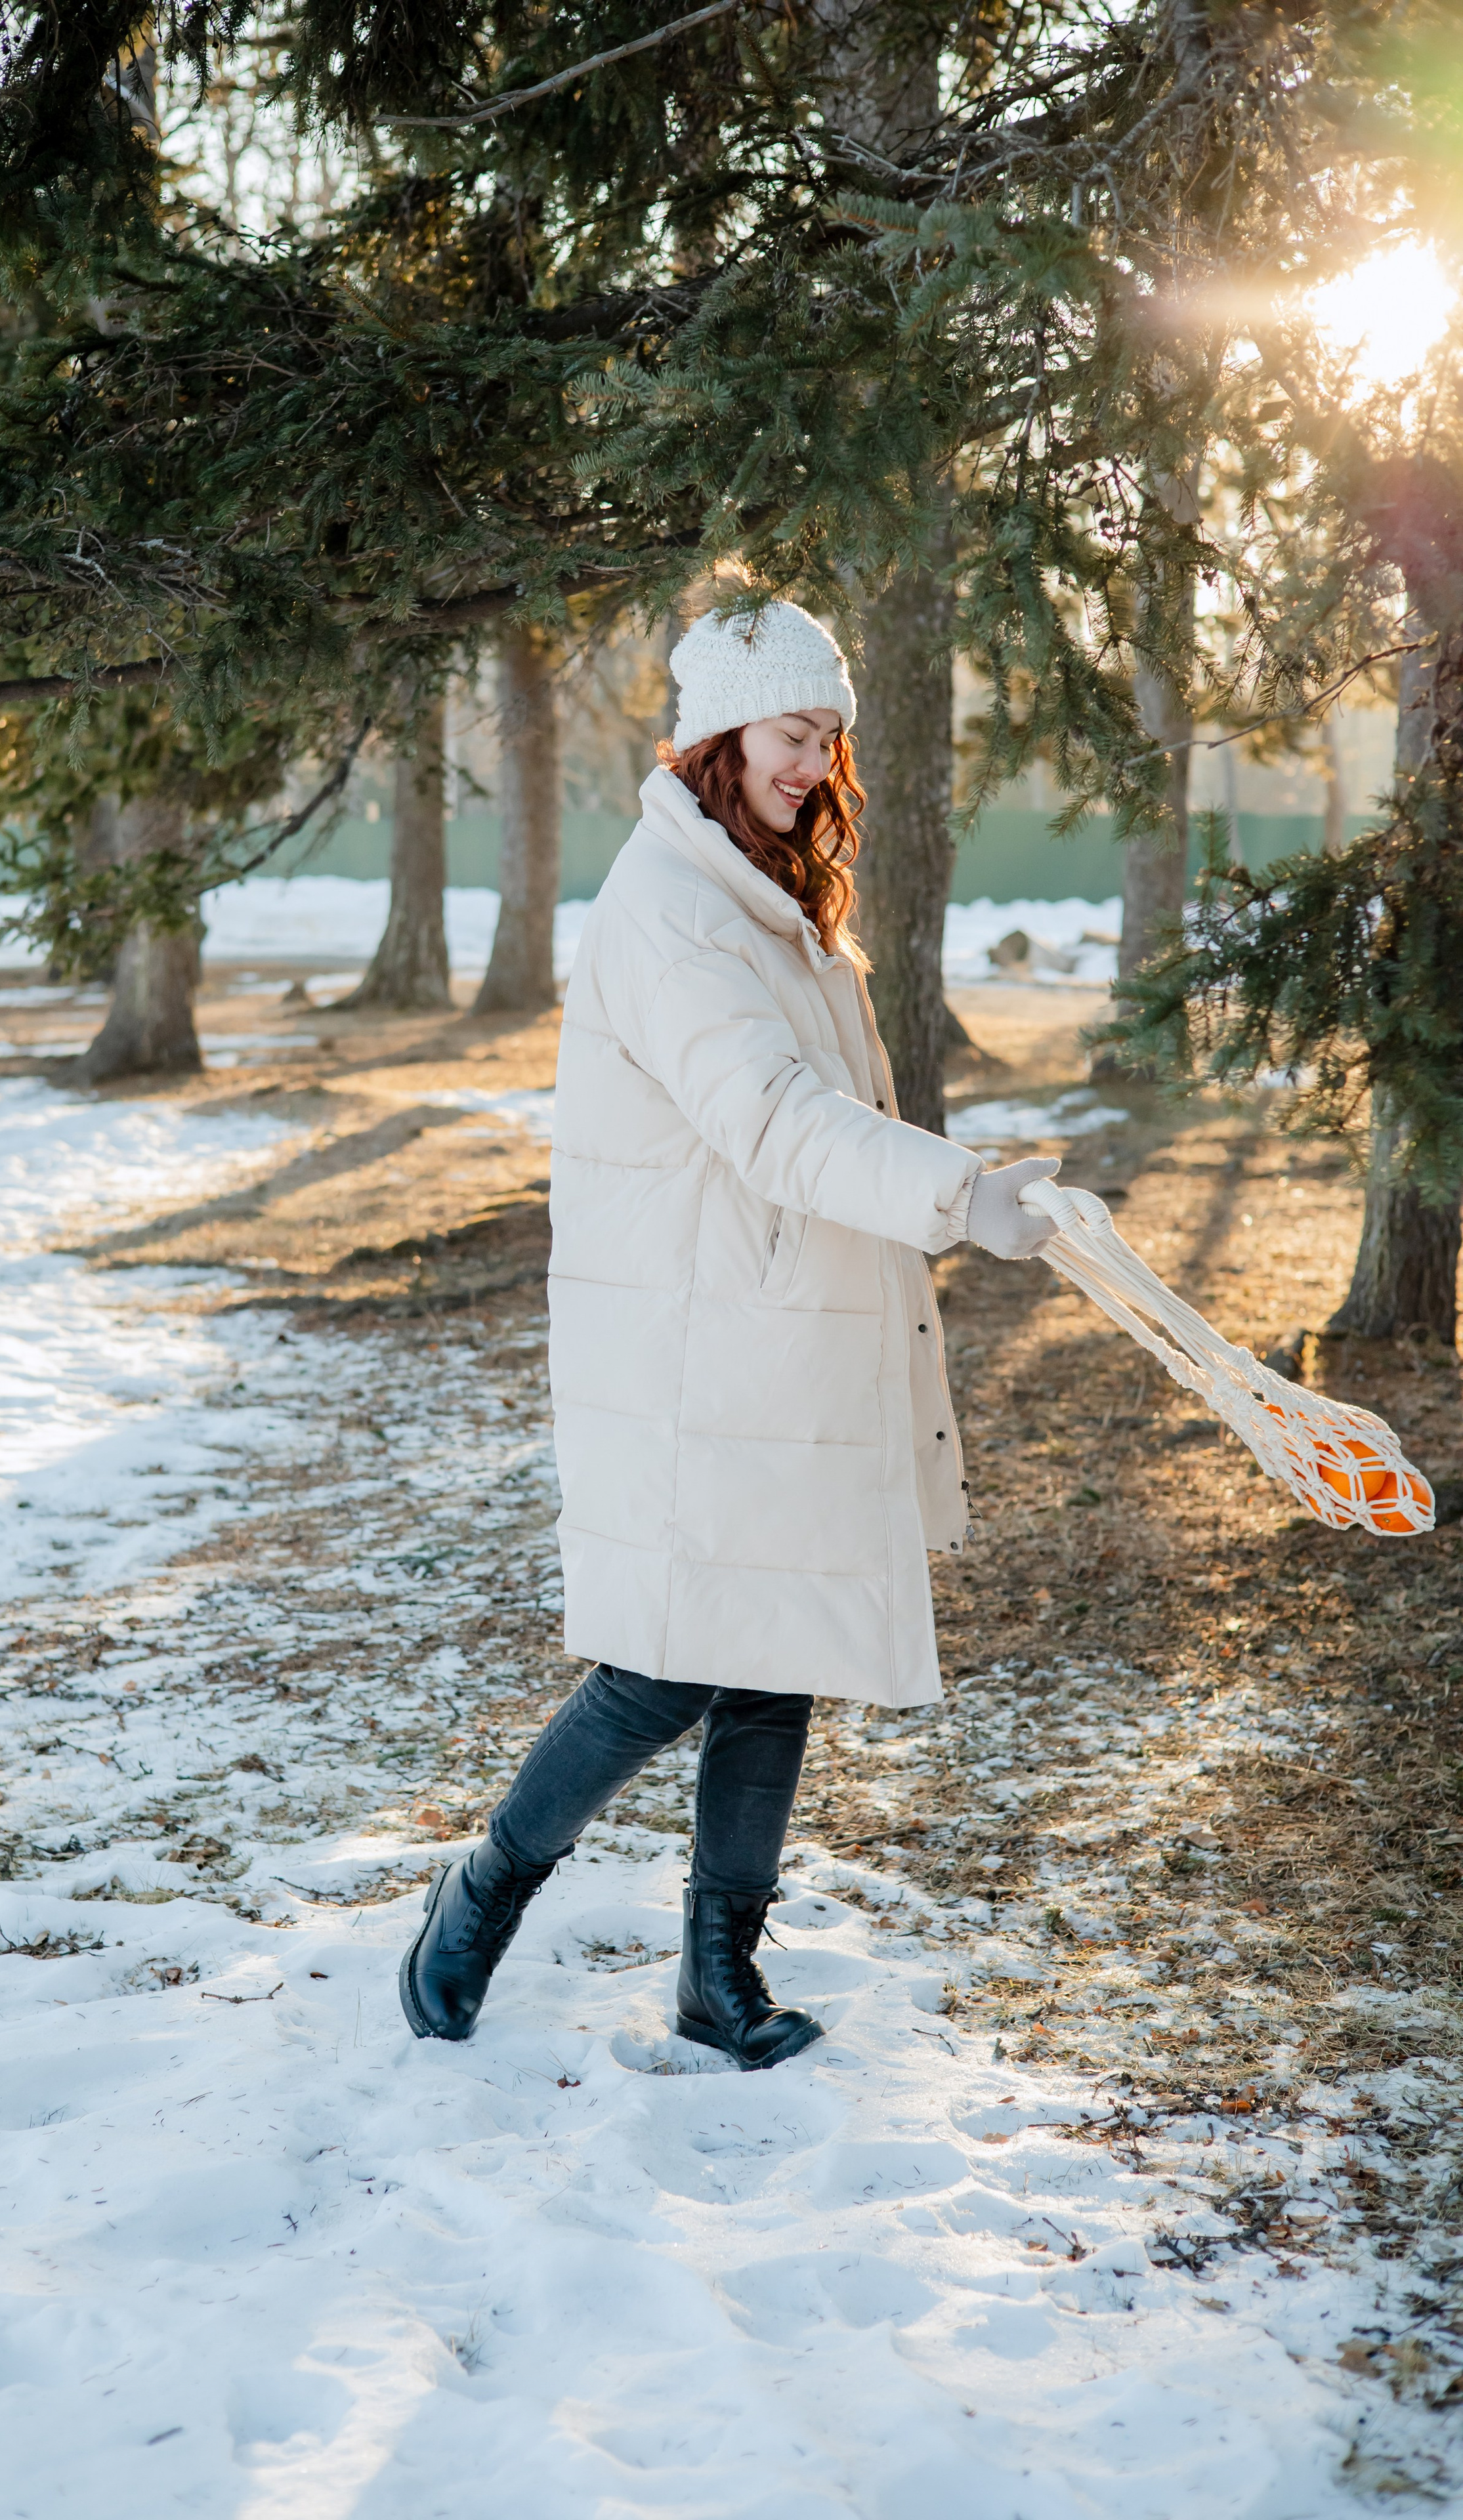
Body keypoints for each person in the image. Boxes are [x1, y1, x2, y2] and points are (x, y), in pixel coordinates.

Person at [400, 598, 1061, 2068]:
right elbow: (769, 1118)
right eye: (787, 733)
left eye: (829, 735)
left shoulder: (762, 888)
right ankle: (480, 1894)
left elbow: (829, 1115)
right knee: (666, 1660)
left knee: (774, 1656)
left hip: (777, 1324)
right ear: (712, 741)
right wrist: (953, 1197)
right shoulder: (670, 905)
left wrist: (957, 1188)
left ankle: (717, 1977)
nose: (814, 762)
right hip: (701, 1342)